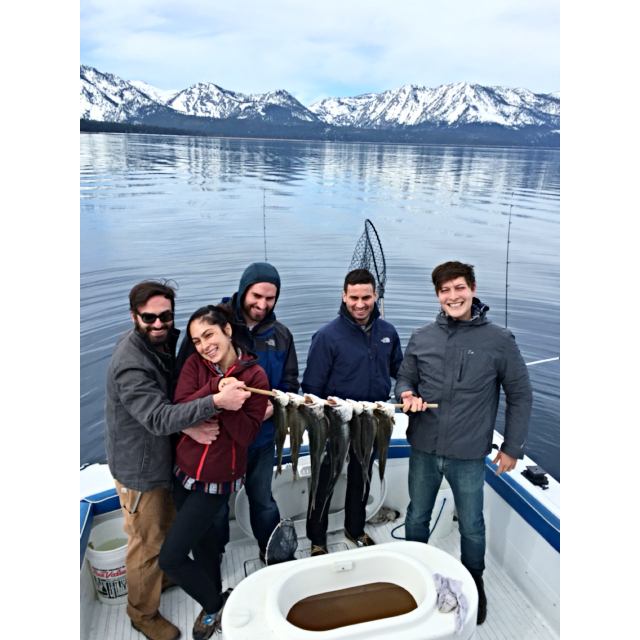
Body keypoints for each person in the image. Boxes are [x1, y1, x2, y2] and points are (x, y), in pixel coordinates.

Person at [104, 281, 249, 640]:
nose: (158, 324)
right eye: (149, 318)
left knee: (166, 535)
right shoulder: (130, 363)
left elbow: (181, 396)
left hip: (167, 459)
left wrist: (192, 421)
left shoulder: (169, 343)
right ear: (134, 315)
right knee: (147, 543)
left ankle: (166, 578)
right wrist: (214, 405)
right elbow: (157, 417)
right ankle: (142, 614)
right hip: (140, 469)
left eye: (165, 316)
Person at [394, 261, 533, 625]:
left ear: (472, 288)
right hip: (423, 447)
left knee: (472, 525)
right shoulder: (422, 336)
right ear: (437, 295)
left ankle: (476, 581)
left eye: (459, 288)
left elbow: (520, 395)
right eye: (445, 290)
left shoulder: (500, 340)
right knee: (416, 515)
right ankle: (417, 573)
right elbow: (404, 376)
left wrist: (512, 448)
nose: (452, 296)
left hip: (470, 454)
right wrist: (406, 393)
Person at [175, 262, 299, 562]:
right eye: (256, 295)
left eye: (270, 298)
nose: (262, 304)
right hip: (218, 442)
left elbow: (290, 383)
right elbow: (182, 387)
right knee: (215, 507)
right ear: (244, 290)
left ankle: (273, 552)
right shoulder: (212, 328)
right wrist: (187, 425)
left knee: (263, 500)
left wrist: (276, 405)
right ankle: (213, 555)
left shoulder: (281, 336)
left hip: (261, 437)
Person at [159, 305, 269, 640]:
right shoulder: (194, 365)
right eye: (196, 340)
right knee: (204, 543)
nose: (204, 345)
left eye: (209, 334)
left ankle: (213, 603)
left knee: (171, 558)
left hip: (218, 479)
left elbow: (247, 435)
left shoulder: (255, 376)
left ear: (227, 330)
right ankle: (216, 593)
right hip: (184, 470)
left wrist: (232, 404)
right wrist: (218, 395)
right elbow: (180, 407)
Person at [302, 268, 403, 555]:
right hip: (335, 421)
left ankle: (355, 529)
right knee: (326, 479)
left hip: (372, 419)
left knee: (363, 475)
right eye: (354, 297)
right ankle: (317, 540)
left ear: (376, 296)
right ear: (344, 296)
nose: (361, 304)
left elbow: (400, 370)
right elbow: (311, 388)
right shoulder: (326, 336)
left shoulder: (388, 332)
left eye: (367, 297)